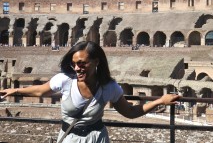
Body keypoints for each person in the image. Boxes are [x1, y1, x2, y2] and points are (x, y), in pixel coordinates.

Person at [0, 41, 180, 143]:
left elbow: (130, 112)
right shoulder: (65, 79)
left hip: (96, 139)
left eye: (82, 63)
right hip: (69, 137)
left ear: (96, 62)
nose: (77, 68)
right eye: (74, 64)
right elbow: (40, 91)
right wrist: (15, 90)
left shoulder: (109, 87)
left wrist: (160, 101)